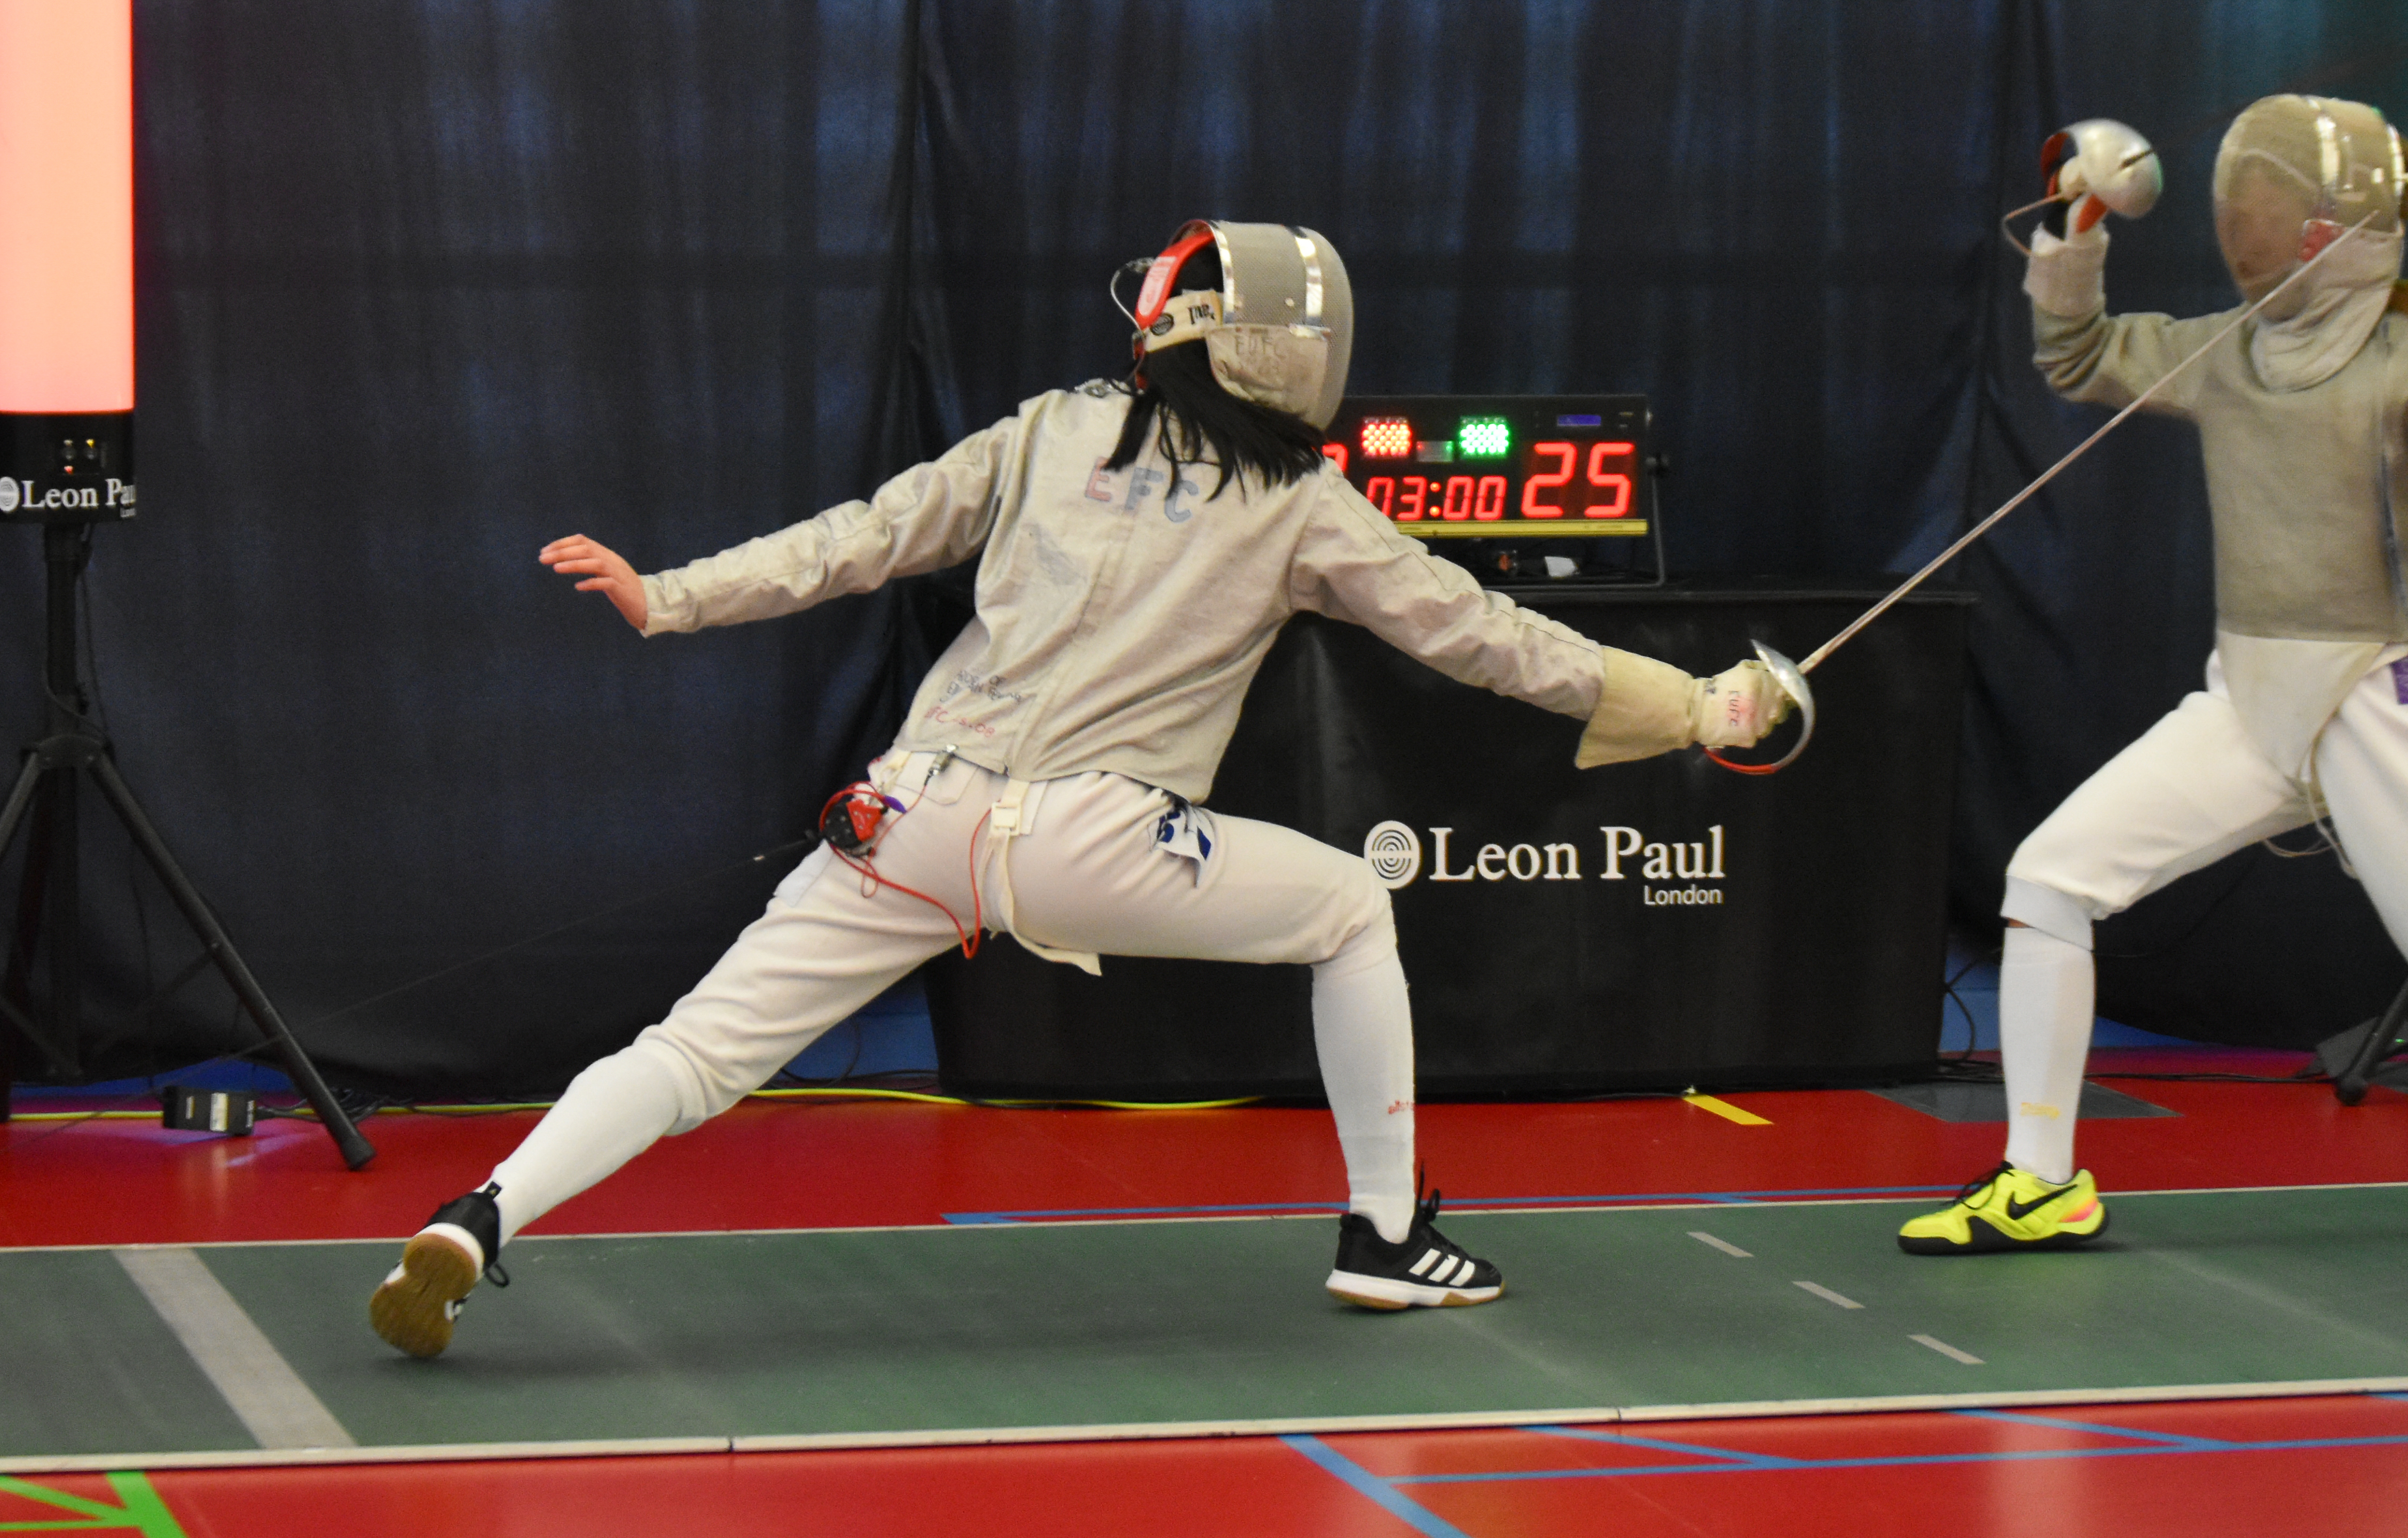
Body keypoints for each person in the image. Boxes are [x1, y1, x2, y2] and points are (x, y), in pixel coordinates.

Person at [372, 219, 1790, 1355]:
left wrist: (668, 597)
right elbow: (1478, 633)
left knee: (695, 1052)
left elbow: (862, 539)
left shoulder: (1049, 430)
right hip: (1093, 839)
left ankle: (480, 1217)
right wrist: (1694, 707)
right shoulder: (1299, 505)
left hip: (908, 816)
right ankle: (1383, 1236)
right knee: (1355, 908)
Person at [1898, 95, 2408, 1257]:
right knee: (2050, 877)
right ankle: (2043, 1176)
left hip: (2387, 703)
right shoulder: (2228, 352)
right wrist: (2077, 227)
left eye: (2269, 204)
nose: (2245, 221)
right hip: (2250, 700)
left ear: (2329, 228)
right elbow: (2074, 356)